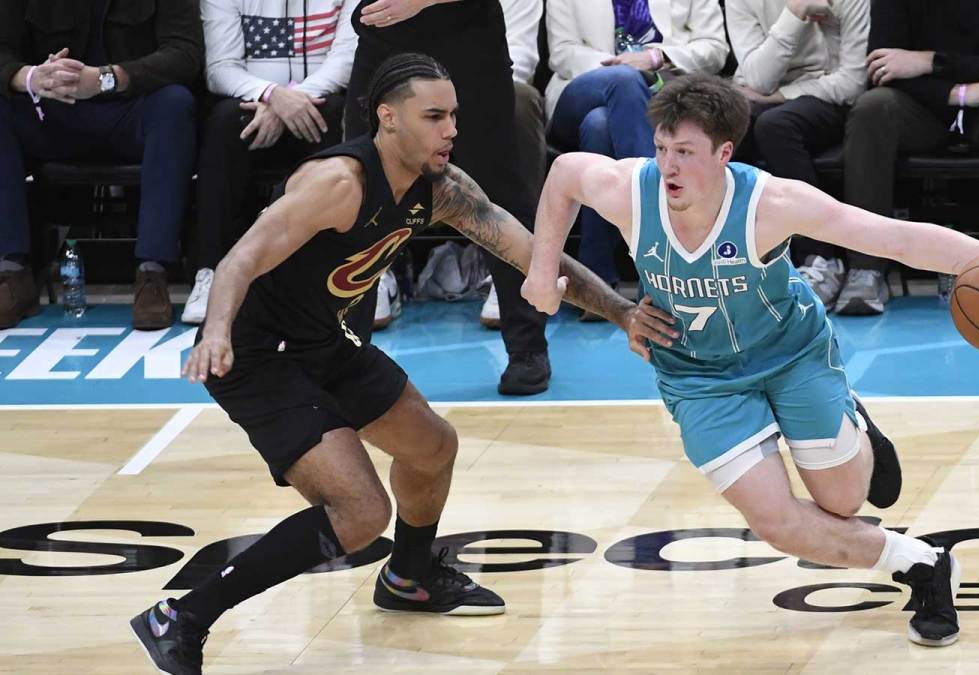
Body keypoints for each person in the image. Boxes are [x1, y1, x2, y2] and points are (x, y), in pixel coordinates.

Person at [130, 54, 671, 675]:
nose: (451, 130)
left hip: (330, 342)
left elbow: (534, 257)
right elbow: (241, 257)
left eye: (453, 117)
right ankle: (184, 616)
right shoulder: (338, 183)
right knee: (360, 513)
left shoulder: (442, 189)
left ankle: (411, 578)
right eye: (434, 116)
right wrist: (216, 330)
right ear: (388, 119)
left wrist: (623, 313)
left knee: (432, 447)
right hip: (261, 356)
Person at [522, 74, 979, 647]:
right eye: (661, 148)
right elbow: (563, 176)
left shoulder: (771, 203)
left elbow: (895, 239)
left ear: (724, 154)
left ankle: (854, 425)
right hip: (697, 375)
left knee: (843, 501)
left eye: (685, 152)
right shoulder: (632, 190)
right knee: (778, 525)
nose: (668, 166)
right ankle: (924, 565)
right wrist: (540, 266)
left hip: (789, 354)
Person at [343, 0, 552, 395]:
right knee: (359, 187)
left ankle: (527, 346)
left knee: (498, 192)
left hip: (468, 41)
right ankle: (346, 348)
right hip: (382, 37)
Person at [837, 0, 979, 315]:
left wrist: (932, 62)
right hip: (921, 107)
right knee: (873, 108)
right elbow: (883, 69)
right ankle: (866, 268)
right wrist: (958, 93)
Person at [0, 0, 203, 330]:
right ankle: (11, 270)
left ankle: (153, 271)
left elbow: (185, 54)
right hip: (52, 111)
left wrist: (108, 78)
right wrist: (31, 77)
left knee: (175, 105)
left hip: (132, 109)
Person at [185, 0, 360, 326]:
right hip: (255, 109)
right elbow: (220, 67)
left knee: (343, 114)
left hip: (318, 103)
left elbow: (347, 58)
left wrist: (293, 98)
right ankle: (210, 272)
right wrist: (271, 95)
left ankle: (356, 270)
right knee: (222, 122)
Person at [545, 0, 728, 312]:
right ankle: (662, 262)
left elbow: (715, 48)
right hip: (582, 88)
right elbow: (562, 52)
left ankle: (595, 281)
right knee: (624, 82)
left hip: (665, 94)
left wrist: (656, 57)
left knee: (599, 127)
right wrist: (620, 65)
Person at [726, 0, 869, 309]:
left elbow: (852, 83)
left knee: (775, 125)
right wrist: (794, 13)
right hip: (759, 97)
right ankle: (733, 265)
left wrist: (779, 96)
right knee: (731, 124)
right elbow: (756, 79)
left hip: (828, 99)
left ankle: (821, 259)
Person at [480, 0, 547, 329]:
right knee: (374, 105)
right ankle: (377, 270)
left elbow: (519, 56)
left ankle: (516, 266)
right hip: (417, 92)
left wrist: (465, 90)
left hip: (485, 89)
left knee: (520, 101)